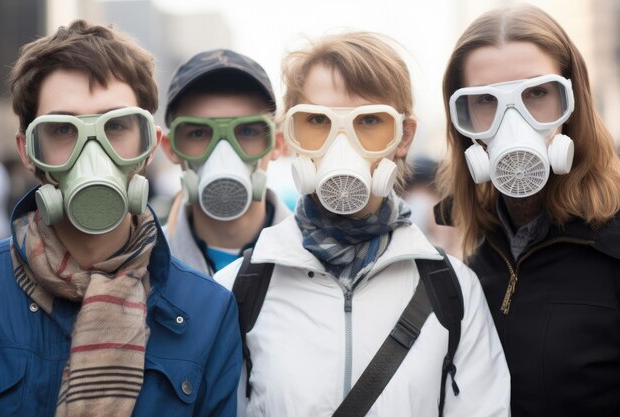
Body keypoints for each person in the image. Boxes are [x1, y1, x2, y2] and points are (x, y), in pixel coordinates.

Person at [215, 31, 510, 417]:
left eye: (370, 120)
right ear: (290, 135)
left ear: (404, 137)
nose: (343, 143)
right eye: (317, 120)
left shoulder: (454, 291)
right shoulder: (239, 290)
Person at [0, 20, 241, 417]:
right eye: (62, 129)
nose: (94, 154)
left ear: (149, 146)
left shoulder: (207, 311)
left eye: (118, 126)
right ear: (27, 151)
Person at [436, 4, 620, 416]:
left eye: (537, 93)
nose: (512, 120)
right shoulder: (474, 260)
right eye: (485, 100)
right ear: (462, 124)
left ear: (573, 101)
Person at [161, 49, 291, 275]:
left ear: (277, 144)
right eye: (199, 133)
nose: (224, 152)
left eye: (247, 131)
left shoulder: (313, 259)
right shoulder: (146, 264)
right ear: (171, 148)